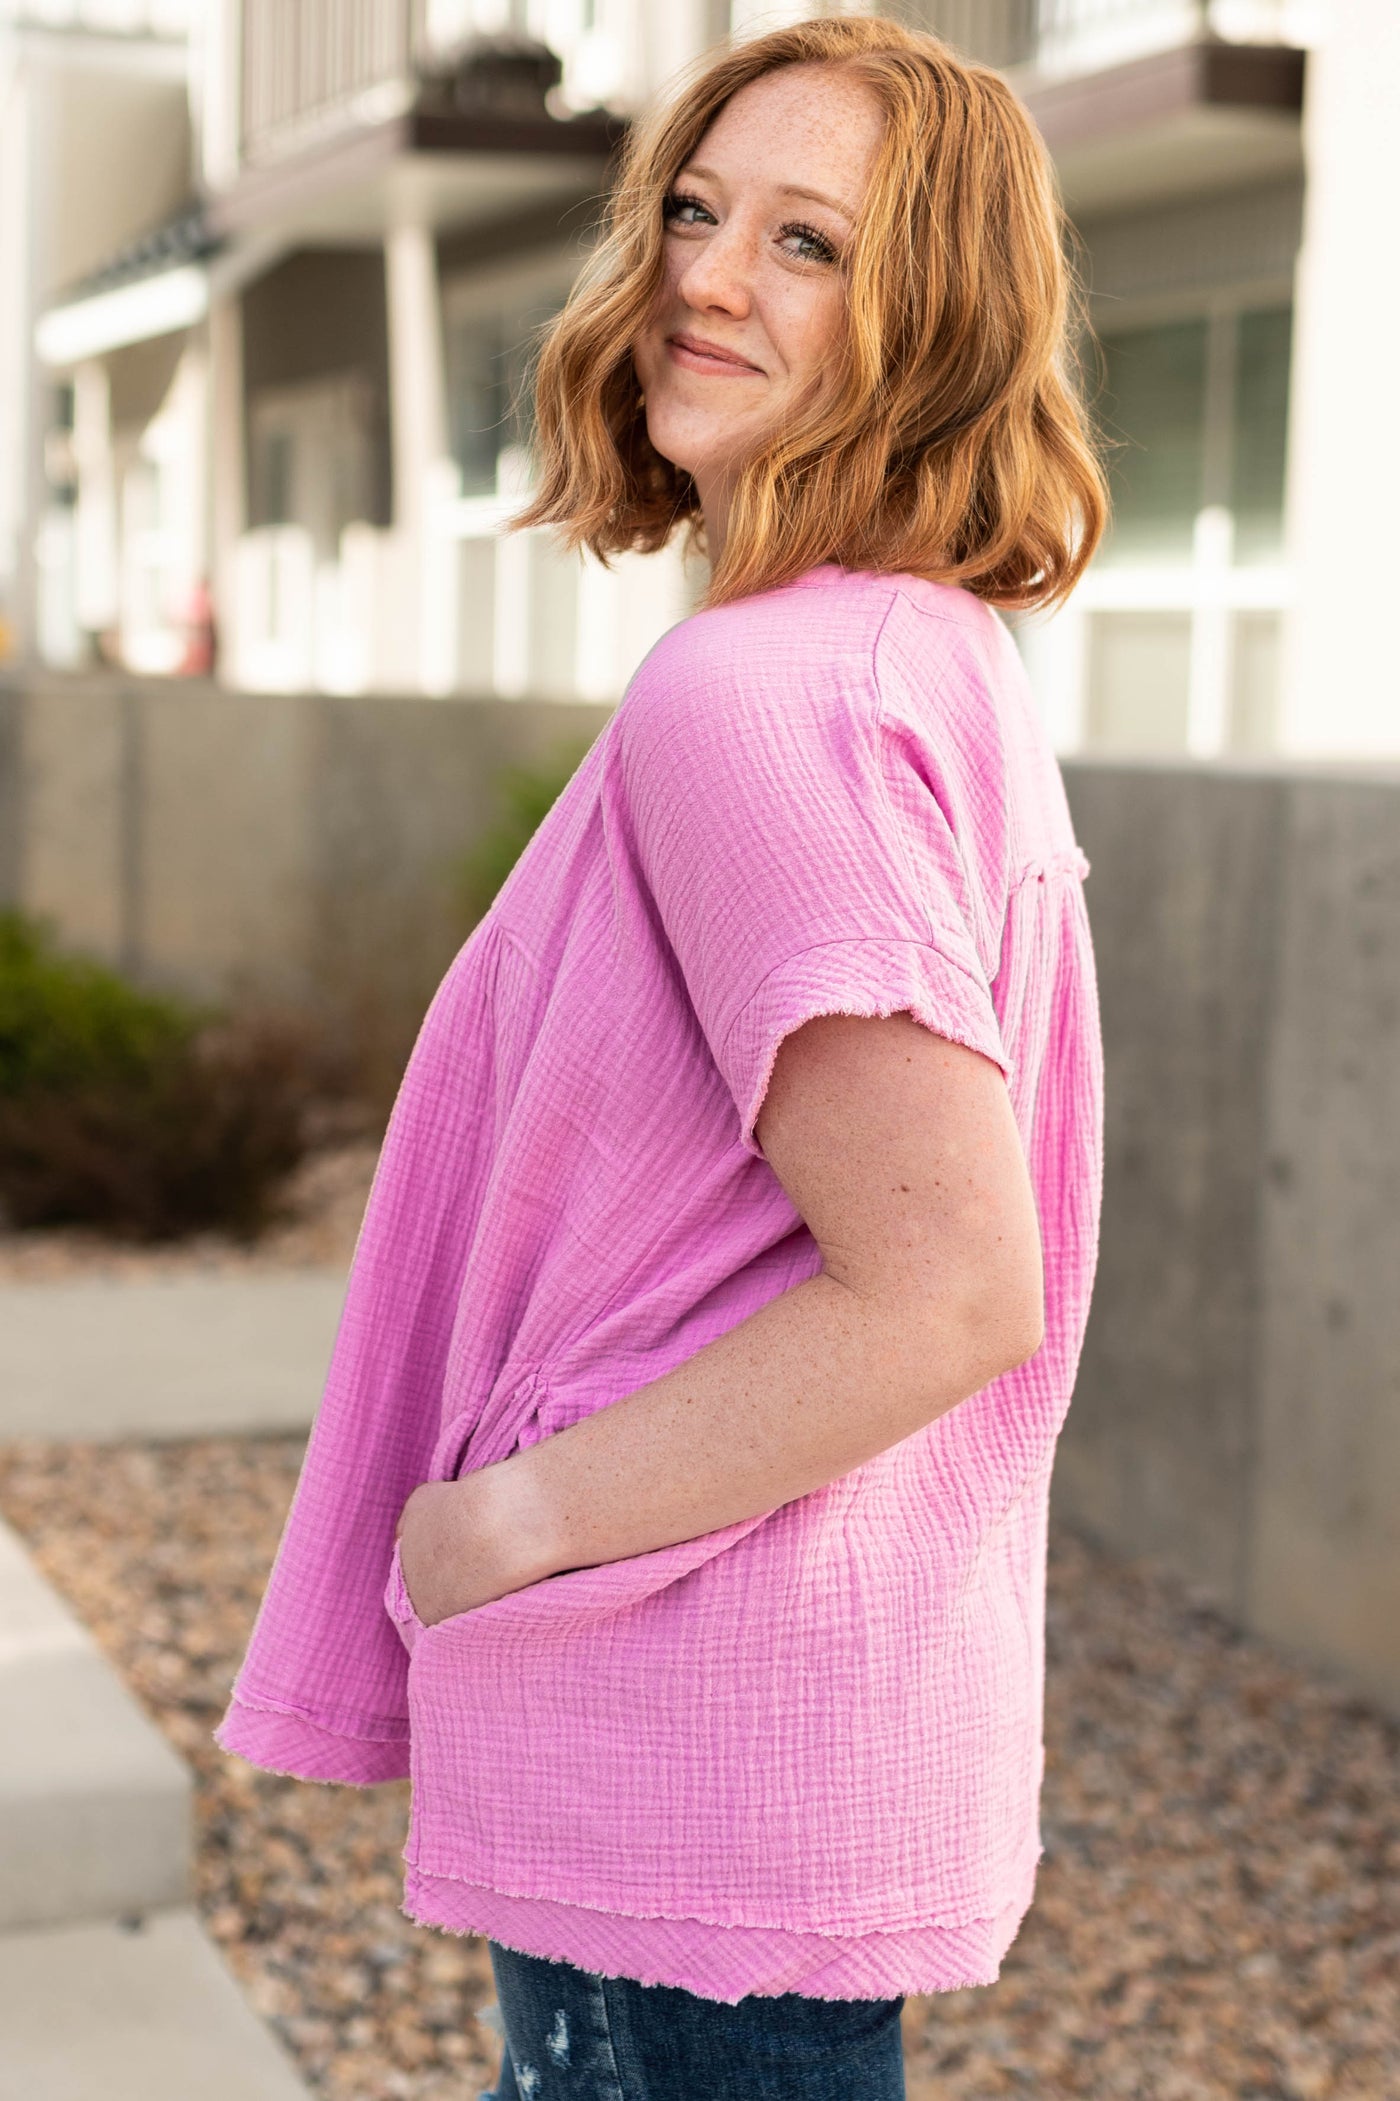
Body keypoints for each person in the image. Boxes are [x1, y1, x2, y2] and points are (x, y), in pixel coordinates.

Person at [215, 15, 1109, 2100]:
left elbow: (952, 1282)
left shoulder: (757, 695)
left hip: (675, 1716)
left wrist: (508, 1523)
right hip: (776, 1725)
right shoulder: (920, 655)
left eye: (809, 243)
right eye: (696, 211)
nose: (707, 276)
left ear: (936, 322)